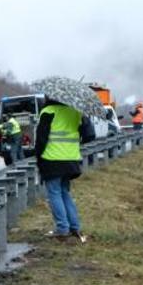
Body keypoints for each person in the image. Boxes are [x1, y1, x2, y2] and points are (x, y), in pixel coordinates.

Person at [34, 98, 94, 243]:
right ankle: (74, 226)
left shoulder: (48, 111)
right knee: (64, 193)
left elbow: (41, 139)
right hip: (71, 160)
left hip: (52, 159)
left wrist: (38, 158)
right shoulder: (75, 112)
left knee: (54, 193)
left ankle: (62, 228)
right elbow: (90, 135)